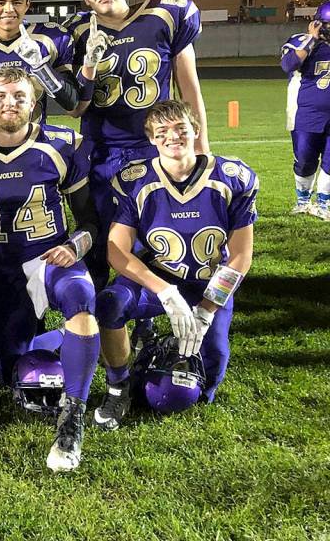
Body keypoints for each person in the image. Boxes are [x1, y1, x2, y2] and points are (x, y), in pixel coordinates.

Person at [0, 67, 100, 472]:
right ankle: (24, 336)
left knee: (81, 297)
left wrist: (73, 245)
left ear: (35, 102)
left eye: (19, 96)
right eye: (1, 97)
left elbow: (90, 221)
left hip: (48, 260)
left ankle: (72, 416)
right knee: (14, 372)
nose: (10, 104)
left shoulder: (62, 145)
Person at [93, 100, 256, 429]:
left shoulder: (231, 178)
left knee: (213, 363)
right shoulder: (135, 180)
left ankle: (188, 376)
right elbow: (116, 250)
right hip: (156, 278)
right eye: (162, 132)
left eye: (181, 128)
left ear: (195, 131)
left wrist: (208, 307)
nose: (173, 136)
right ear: (152, 139)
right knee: (110, 305)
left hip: (207, 281)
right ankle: (118, 387)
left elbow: (240, 256)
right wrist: (165, 292)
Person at [66, 0, 208, 294]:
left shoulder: (163, 16)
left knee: (156, 231)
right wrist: (87, 65)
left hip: (153, 146)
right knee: (98, 230)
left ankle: (145, 309)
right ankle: (95, 308)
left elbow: (190, 89)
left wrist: (201, 151)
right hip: (100, 148)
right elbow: (76, 106)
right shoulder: (77, 32)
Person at [281, 5, 330, 218]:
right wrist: (312, 39)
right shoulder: (300, 40)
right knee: (304, 159)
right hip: (305, 114)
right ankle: (303, 200)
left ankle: (323, 204)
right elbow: (288, 64)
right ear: (317, 23)